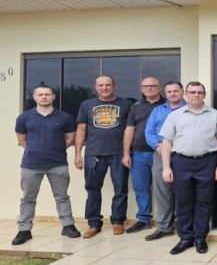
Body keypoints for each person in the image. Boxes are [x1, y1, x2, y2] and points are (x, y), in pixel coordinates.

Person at [160, 81, 217, 254]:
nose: (196, 95)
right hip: (181, 162)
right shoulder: (175, 115)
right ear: (186, 95)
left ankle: (200, 238)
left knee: (204, 202)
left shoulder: (215, 115)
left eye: (200, 92)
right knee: (183, 202)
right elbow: (166, 142)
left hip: (207, 162)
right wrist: (166, 167)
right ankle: (185, 238)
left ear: (204, 95)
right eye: (193, 92)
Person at [12, 84, 80, 245]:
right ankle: (24, 230)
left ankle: (68, 226)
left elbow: (70, 137)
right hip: (30, 165)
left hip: (58, 164)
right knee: (28, 198)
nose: (44, 97)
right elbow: (21, 139)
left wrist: (55, 149)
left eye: (47, 94)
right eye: (40, 94)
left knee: (62, 196)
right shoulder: (24, 117)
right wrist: (35, 150)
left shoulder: (64, 117)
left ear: (53, 97)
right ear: (34, 97)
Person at [75, 75, 132, 238]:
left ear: (114, 86)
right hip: (93, 153)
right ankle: (94, 223)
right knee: (92, 189)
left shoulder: (126, 104)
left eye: (107, 85)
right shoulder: (86, 105)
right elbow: (81, 130)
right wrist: (78, 153)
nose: (104, 87)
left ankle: (118, 221)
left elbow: (130, 129)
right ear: (96, 87)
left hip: (118, 153)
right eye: (101, 85)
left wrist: (127, 153)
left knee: (120, 188)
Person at [144, 81, 186, 241]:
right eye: (169, 91)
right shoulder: (157, 110)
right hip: (160, 153)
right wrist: (158, 147)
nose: (173, 94)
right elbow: (149, 131)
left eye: (176, 91)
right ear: (165, 94)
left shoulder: (189, 109)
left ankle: (184, 226)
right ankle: (164, 227)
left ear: (182, 92)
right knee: (162, 191)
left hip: (183, 154)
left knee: (184, 191)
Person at [122, 77, 165, 233]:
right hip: (138, 153)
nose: (149, 88)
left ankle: (166, 221)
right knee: (141, 188)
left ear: (159, 88)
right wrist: (126, 153)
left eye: (153, 85)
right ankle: (144, 219)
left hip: (161, 153)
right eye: (146, 86)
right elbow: (129, 130)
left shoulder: (167, 105)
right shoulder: (136, 107)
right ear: (141, 89)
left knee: (165, 189)